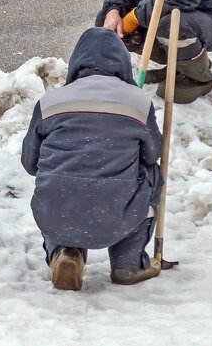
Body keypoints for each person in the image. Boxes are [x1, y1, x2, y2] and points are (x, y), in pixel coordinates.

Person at [21, 27, 162, 290]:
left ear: (77, 62)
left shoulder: (50, 102)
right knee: (153, 173)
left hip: (56, 213)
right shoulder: (138, 102)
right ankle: (127, 263)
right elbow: (152, 153)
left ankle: (64, 252)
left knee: (55, 178)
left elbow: (30, 163)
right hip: (116, 215)